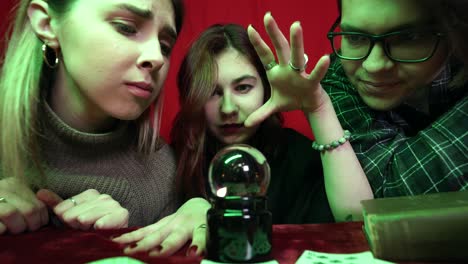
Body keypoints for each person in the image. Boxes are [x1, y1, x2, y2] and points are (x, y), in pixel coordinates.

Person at [114, 21, 374, 256]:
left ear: (265, 88)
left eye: (243, 87)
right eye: (213, 92)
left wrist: (317, 107)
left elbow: (359, 223)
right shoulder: (172, 161)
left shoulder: (299, 157)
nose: (228, 108)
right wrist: (194, 205)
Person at [0, 0, 210, 257]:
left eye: (165, 46)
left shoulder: (161, 173)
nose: (156, 58)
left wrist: (205, 214)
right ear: (47, 24)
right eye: (126, 28)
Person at [319, 0, 468, 197]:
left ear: (455, 35)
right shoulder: (336, 80)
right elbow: (387, 195)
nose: (374, 65)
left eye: (408, 37)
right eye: (355, 37)